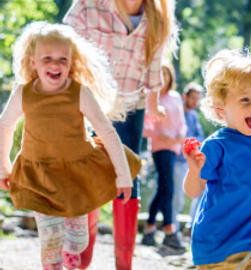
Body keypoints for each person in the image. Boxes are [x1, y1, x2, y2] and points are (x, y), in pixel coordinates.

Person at [0, 22, 141, 270]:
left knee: (77, 241)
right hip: (39, 176)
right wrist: (4, 167)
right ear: (33, 62)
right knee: (50, 237)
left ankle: (70, 254)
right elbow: (4, 127)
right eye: (47, 59)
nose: (55, 65)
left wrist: (123, 175)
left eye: (62, 59)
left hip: (76, 177)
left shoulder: (79, 93)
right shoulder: (23, 93)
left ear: (72, 62)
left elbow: (107, 132)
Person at [63, 0, 177, 268]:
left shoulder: (156, 17)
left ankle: (124, 261)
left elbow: (153, 63)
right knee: (90, 174)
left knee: (128, 172)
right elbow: (62, 41)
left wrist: (152, 104)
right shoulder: (89, 6)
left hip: (130, 106)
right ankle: (82, 255)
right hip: (90, 103)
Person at [183, 49, 251, 269]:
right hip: (220, 247)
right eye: (245, 100)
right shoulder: (216, 145)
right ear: (220, 109)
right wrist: (194, 170)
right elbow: (193, 191)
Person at [141, 63, 186, 249]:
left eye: (167, 74)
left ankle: (150, 228)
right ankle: (169, 230)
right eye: (161, 75)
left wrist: (181, 136)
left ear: (171, 77)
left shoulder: (175, 97)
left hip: (174, 147)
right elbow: (143, 129)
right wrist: (159, 136)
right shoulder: (152, 98)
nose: (164, 78)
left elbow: (182, 123)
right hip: (160, 148)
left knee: (164, 188)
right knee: (168, 187)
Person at [171, 82, 204, 229]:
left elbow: (199, 137)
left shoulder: (193, 116)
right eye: (193, 98)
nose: (195, 102)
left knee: (198, 193)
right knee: (177, 196)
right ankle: (173, 228)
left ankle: (191, 227)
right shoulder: (176, 113)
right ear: (185, 96)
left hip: (190, 161)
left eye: (197, 99)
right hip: (176, 159)